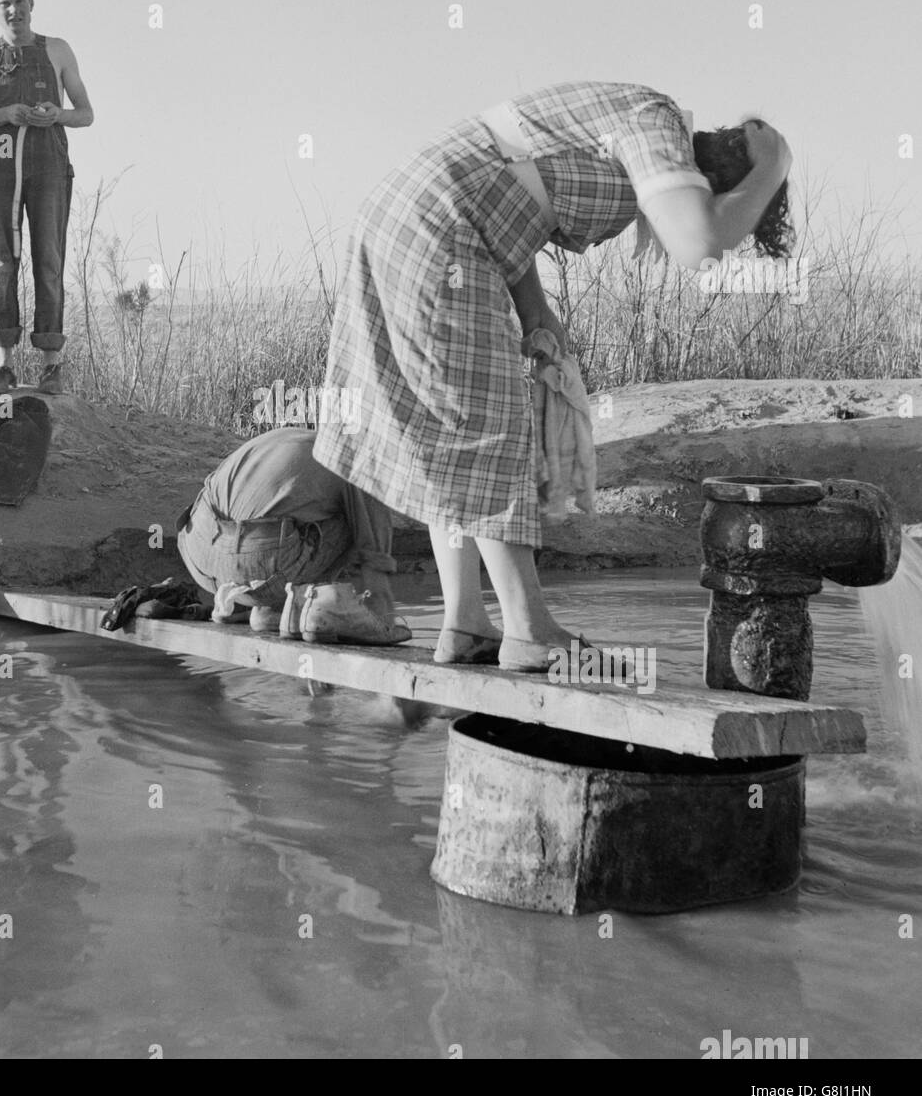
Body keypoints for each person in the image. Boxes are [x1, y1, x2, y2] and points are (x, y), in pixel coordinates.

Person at [312, 82, 793, 670]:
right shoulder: (657, 123)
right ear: (718, 185)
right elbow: (700, 243)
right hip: (442, 230)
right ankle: (528, 629)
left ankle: (465, 623)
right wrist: (775, 166)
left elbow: (515, 190)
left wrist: (534, 307)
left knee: (453, 431)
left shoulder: (637, 131)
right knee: (491, 434)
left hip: (426, 220)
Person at [0, 0, 94, 396]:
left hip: (49, 167)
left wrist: (57, 113)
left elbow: (85, 113)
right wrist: (6, 113)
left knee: (49, 262)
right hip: (0, 172)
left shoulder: (57, 50)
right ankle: (4, 364)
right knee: (2, 264)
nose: (13, 10)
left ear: (31, 2)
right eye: (4, 4)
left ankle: (52, 364)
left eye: (19, 0)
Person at [176, 426, 410, 645]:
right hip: (259, 561)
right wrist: (382, 614)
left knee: (303, 510)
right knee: (358, 520)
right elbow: (374, 559)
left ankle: (271, 612)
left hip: (198, 555)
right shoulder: (362, 459)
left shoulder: (292, 438)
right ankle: (312, 605)